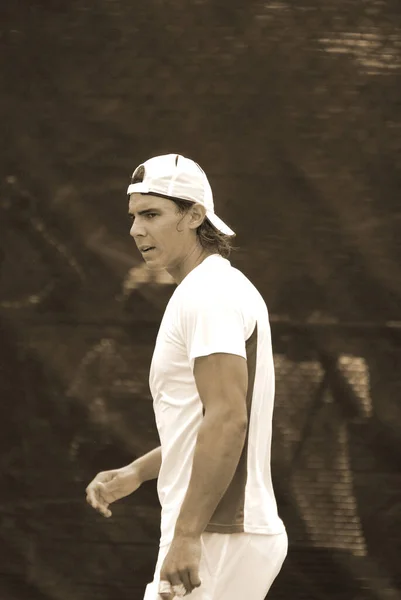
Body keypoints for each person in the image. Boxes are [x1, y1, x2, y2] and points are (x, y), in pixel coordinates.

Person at [86, 154, 287, 600]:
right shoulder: (208, 289)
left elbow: (228, 419)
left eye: (152, 214)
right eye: (134, 216)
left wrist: (188, 535)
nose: (137, 230)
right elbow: (206, 420)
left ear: (195, 215)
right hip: (224, 533)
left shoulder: (209, 295)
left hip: (219, 533)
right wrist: (138, 472)